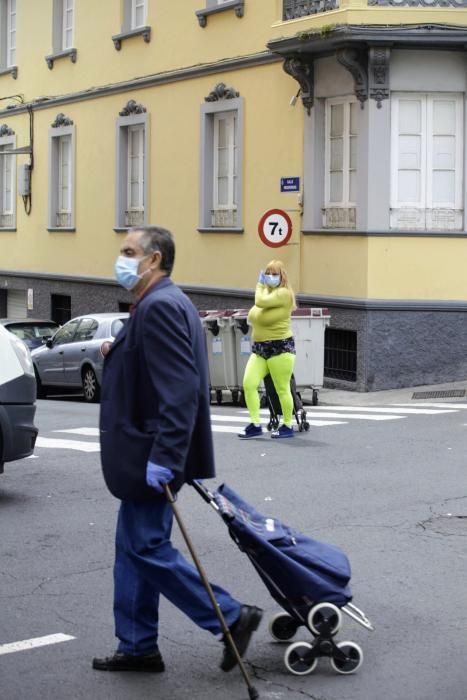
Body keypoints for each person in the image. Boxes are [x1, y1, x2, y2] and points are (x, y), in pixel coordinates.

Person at [93, 226, 262, 674]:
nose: (121, 259)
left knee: (145, 547)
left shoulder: (161, 306)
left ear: (154, 260)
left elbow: (181, 390)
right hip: (148, 454)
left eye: (129, 252)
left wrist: (166, 459)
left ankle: (230, 616)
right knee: (133, 549)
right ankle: (137, 645)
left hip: (154, 455)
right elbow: (157, 370)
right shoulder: (158, 302)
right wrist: (118, 351)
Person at [238, 260, 296, 440]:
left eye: (274, 274)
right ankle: (255, 424)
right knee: (249, 384)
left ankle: (287, 424)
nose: (270, 277)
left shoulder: (284, 294)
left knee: (282, 389)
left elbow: (259, 301)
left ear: (282, 276)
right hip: (260, 348)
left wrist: (259, 284)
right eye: (268, 273)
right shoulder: (270, 294)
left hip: (280, 347)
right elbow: (255, 313)